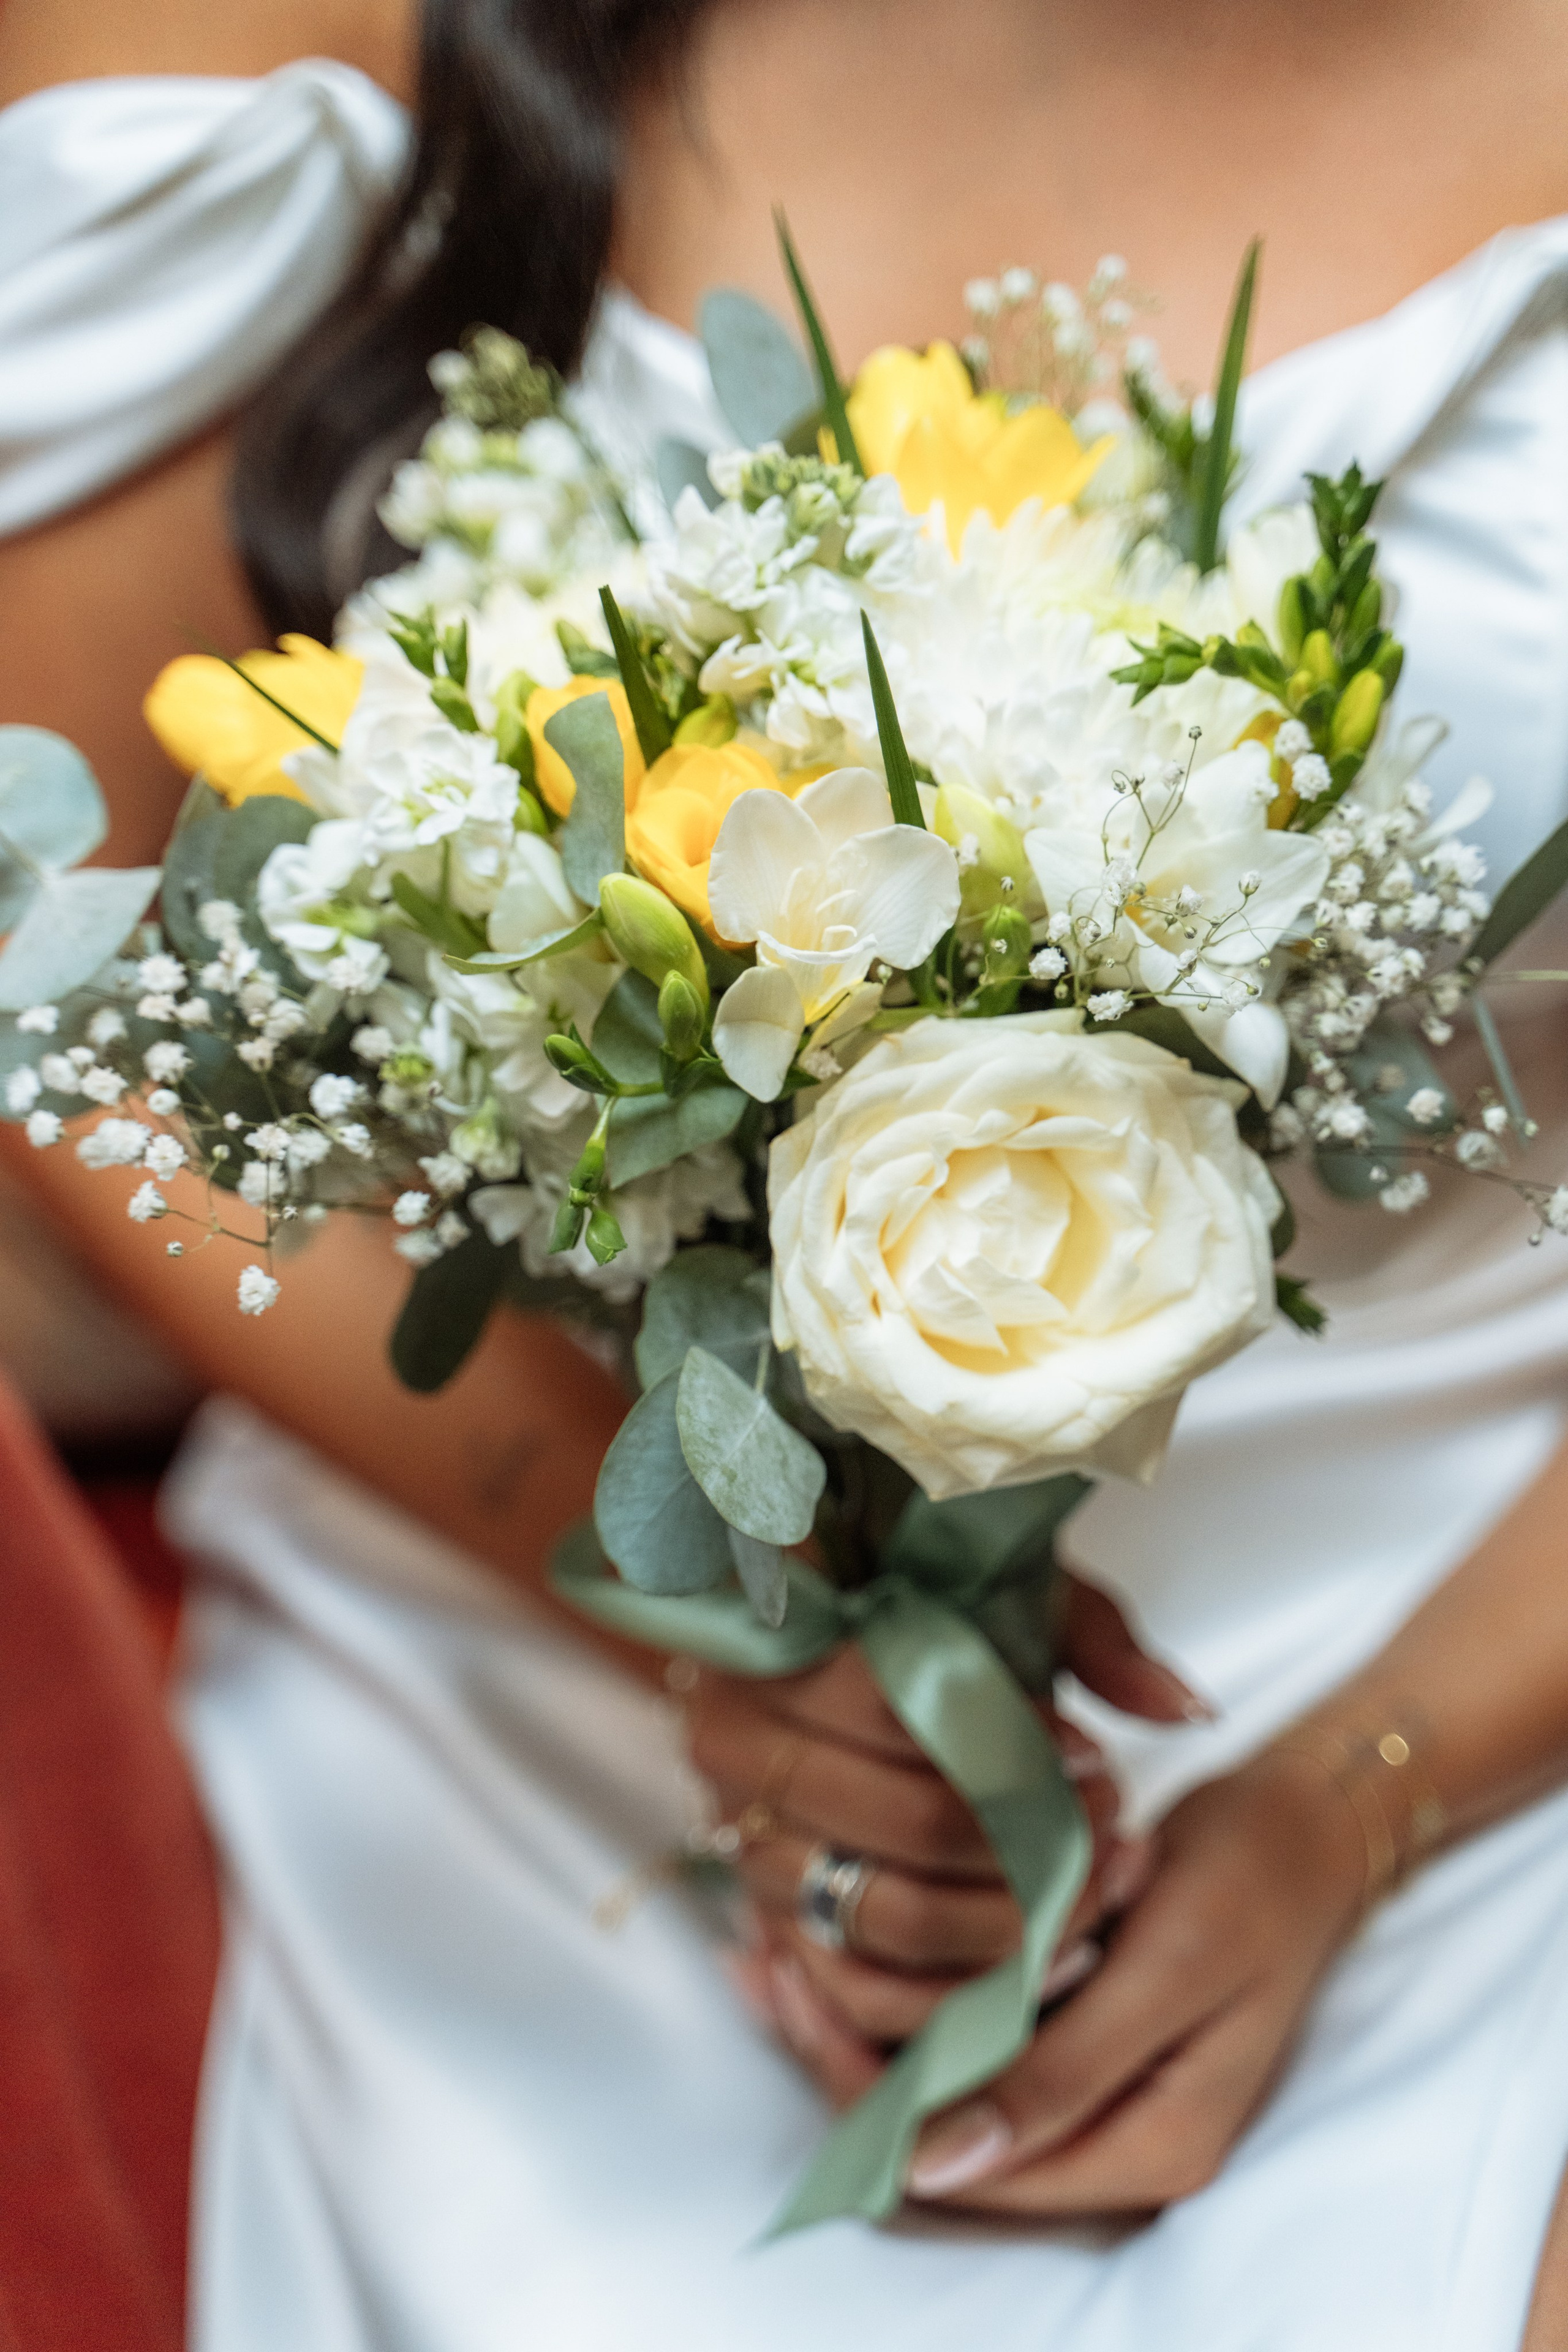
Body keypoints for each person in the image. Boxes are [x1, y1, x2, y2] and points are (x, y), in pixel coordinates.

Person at [5, 0, 1568, 2344]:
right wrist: (729, 1620)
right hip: (529, 1649)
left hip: (1477, 1630)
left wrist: (1364, 1791)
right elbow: (68, 988)